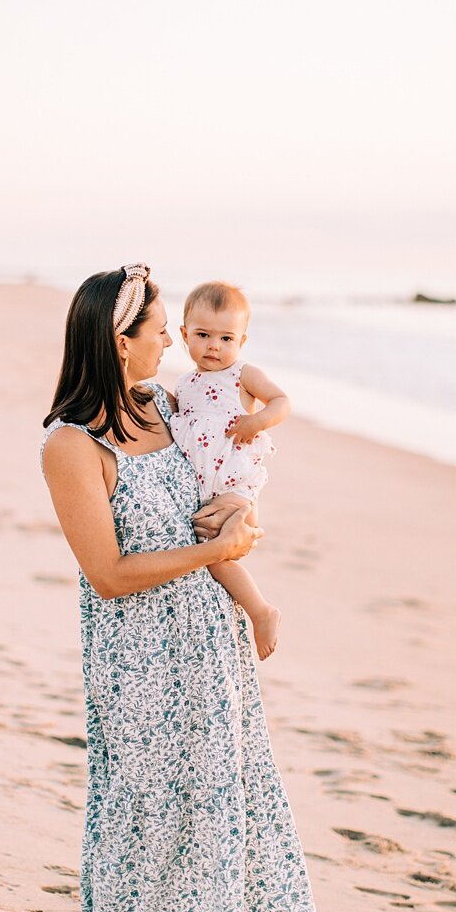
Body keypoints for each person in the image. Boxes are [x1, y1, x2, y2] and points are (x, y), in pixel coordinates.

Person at [40, 264, 332, 912]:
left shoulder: (164, 406)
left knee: (217, 815)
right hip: (139, 657)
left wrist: (246, 549)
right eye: (158, 328)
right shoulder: (71, 447)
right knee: (144, 810)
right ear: (118, 339)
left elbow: (211, 514)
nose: (171, 339)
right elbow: (108, 575)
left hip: (211, 647)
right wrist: (217, 553)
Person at [168, 280, 291, 660]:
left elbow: (281, 401)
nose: (213, 347)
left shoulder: (242, 375)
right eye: (203, 335)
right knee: (209, 556)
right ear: (185, 334)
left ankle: (261, 611)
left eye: (226, 338)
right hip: (204, 487)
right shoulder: (185, 383)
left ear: (242, 341)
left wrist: (258, 422)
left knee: (218, 557)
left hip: (236, 485)